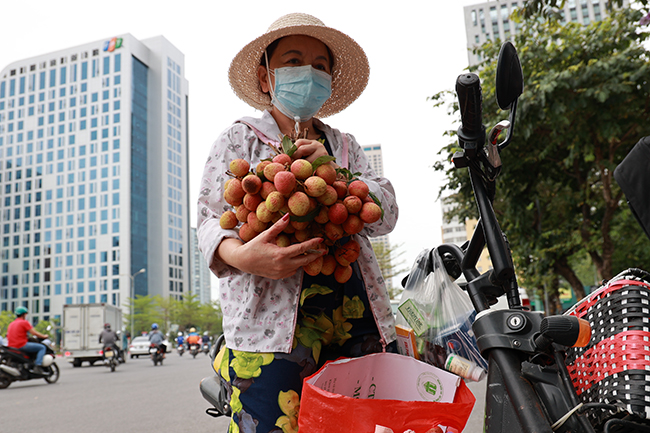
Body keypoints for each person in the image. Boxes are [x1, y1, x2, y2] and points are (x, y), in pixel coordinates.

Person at [196, 13, 398, 432]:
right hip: (266, 331)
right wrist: (245, 257)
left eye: (321, 66)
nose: (309, 72)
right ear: (265, 77)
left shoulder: (344, 147)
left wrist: (333, 172)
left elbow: (386, 215)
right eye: (293, 60)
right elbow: (209, 220)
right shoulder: (238, 139)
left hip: (354, 317)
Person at [6, 307, 50, 374]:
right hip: (21, 345)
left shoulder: (11, 324)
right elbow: (34, 333)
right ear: (23, 315)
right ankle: (38, 365)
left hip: (11, 347)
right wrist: (44, 336)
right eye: (26, 314)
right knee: (42, 347)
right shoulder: (24, 322)